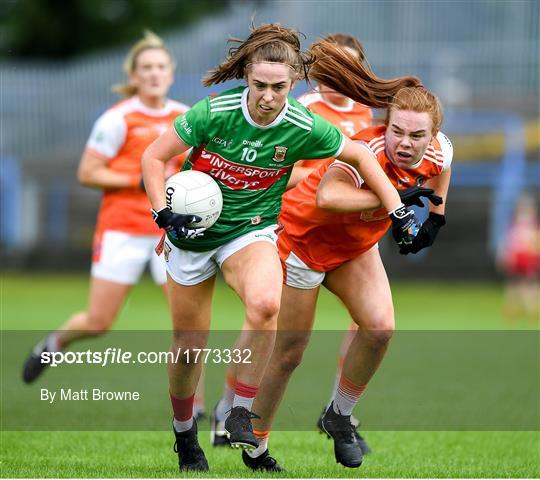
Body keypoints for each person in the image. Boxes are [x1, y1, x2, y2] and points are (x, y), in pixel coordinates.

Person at [141, 23, 422, 472]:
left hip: (248, 233)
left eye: (279, 87)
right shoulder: (214, 113)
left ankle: (238, 413)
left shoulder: (302, 123)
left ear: (294, 85)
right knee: (189, 348)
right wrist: (161, 212)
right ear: (246, 78)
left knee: (267, 303)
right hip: (190, 236)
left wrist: (398, 212)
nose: (268, 96)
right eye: (259, 85)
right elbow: (153, 157)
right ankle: (184, 433)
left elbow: (362, 156)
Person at [239, 39, 452, 472]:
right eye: (397, 131)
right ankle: (255, 446)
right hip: (305, 243)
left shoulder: (439, 149)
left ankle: (338, 416)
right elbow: (328, 195)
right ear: (384, 126)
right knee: (291, 353)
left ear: (433, 135)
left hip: (355, 249)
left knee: (380, 329)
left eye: (417, 135)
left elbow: (442, 171)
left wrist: (434, 219)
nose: (405, 143)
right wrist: (388, 198)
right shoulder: (366, 148)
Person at [21, 32, 209, 413]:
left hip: (168, 232)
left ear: (171, 73)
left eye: (160, 67)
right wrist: (135, 180)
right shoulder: (118, 118)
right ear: (134, 76)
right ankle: (53, 344)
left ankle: (197, 406)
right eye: (146, 68)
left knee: (188, 325)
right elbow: (88, 171)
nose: (154, 74)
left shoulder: (184, 117)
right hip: (121, 229)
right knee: (98, 321)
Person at [210, 32, 374, 453]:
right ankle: (228, 410)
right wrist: (330, 183)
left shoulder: (366, 114)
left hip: (350, 237)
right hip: (296, 232)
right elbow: (283, 174)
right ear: (313, 74)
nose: (338, 76)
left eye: (348, 67)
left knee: (371, 323)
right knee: (276, 336)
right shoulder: (299, 109)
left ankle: (342, 415)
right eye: (330, 67)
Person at [498, 194, 540, 323]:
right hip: (521, 256)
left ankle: (526, 310)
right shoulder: (518, 224)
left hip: (524, 256)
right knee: (521, 284)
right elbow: (509, 242)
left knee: (521, 284)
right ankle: (525, 310)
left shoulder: (526, 224)